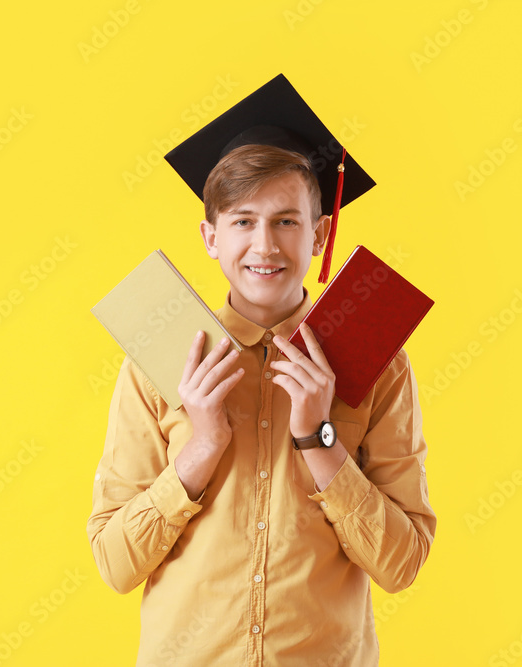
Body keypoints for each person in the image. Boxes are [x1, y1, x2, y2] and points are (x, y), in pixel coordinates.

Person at [87, 74, 435, 666]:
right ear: (210, 238)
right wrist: (201, 447)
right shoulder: (160, 357)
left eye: (286, 220)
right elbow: (115, 564)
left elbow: (402, 564)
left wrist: (318, 439)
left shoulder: (378, 360)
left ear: (321, 233)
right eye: (242, 221)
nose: (265, 245)